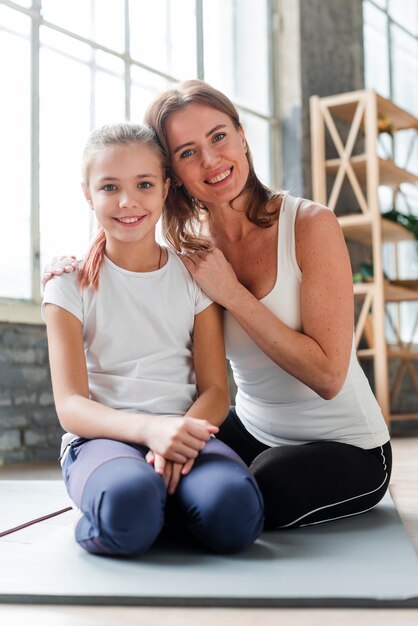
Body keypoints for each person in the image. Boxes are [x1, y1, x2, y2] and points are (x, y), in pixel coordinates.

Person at [44, 80, 392, 531]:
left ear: (243, 136)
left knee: (250, 494)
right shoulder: (191, 247)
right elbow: (127, 219)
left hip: (345, 444)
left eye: (219, 136)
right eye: (187, 152)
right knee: (167, 468)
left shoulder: (309, 225)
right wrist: (71, 262)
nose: (210, 160)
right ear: (174, 177)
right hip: (251, 429)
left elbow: (328, 377)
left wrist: (232, 293)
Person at [42, 121, 264, 557]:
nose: (128, 202)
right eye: (109, 187)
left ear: (165, 188)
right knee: (129, 504)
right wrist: (152, 430)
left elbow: (216, 390)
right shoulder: (67, 283)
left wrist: (180, 437)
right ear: (88, 195)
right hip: (102, 439)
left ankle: (160, 505)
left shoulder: (195, 276)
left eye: (144, 184)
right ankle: (139, 507)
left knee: (235, 513)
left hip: (188, 432)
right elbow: (70, 406)